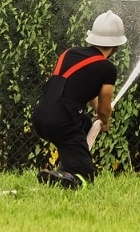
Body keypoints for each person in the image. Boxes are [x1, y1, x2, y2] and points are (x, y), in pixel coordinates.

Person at [33, 10, 124, 189]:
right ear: (115, 47)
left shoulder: (69, 53)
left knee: (84, 124)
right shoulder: (107, 69)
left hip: (40, 116)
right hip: (63, 121)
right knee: (86, 176)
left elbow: (79, 89)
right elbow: (104, 109)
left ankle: (65, 170)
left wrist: (97, 117)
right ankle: (69, 178)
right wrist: (104, 121)